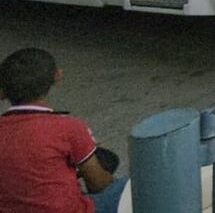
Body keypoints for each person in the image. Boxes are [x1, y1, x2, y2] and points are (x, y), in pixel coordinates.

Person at [0, 48, 128, 213]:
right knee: (133, 187)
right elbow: (98, 183)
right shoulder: (68, 127)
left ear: (3, 92)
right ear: (57, 76)